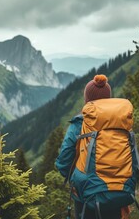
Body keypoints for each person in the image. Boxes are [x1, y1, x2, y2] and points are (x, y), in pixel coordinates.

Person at [55, 74, 129, 219]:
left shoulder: (79, 125)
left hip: (86, 194)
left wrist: (75, 181)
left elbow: (64, 160)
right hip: (119, 191)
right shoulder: (121, 123)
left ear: (87, 100)